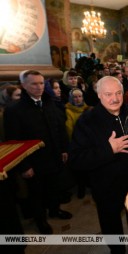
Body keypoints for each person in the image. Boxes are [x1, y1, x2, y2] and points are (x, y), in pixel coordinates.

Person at [69, 76, 128, 254]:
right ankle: (117, 249)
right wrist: (109, 149)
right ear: (99, 95)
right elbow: (76, 159)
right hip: (106, 187)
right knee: (111, 223)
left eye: (118, 93)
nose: (115, 98)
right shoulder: (87, 121)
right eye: (108, 94)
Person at [4, 70, 72, 235]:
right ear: (24, 86)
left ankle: (55, 210)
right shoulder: (14, 110)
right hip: (34, 162)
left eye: (41, 83)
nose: (39, 87)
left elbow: (59, 128)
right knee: (37, 194)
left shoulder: (50, 102)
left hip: (54, 156)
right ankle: (40, 220)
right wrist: (24, 166)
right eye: (34, 84)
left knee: (54, 187)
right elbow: (14, 141)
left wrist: (63, 149)